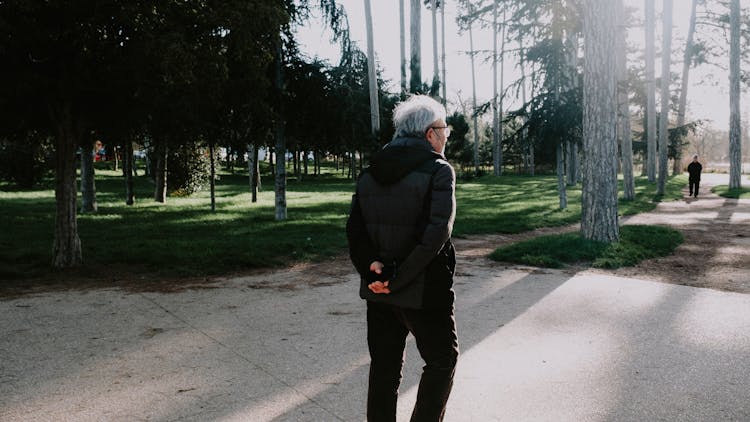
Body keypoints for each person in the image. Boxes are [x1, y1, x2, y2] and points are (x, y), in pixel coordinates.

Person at [346, 94, 458, 422]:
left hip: (379, 292)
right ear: (428, 133)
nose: (445, 137)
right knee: (441, 362)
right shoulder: (440, 171)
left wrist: (374, 274)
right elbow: (436, 235)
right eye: (444, 130)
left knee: (384, 368)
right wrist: (396, 278)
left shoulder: (370, 171)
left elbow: (356, 231)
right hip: (423, 292)